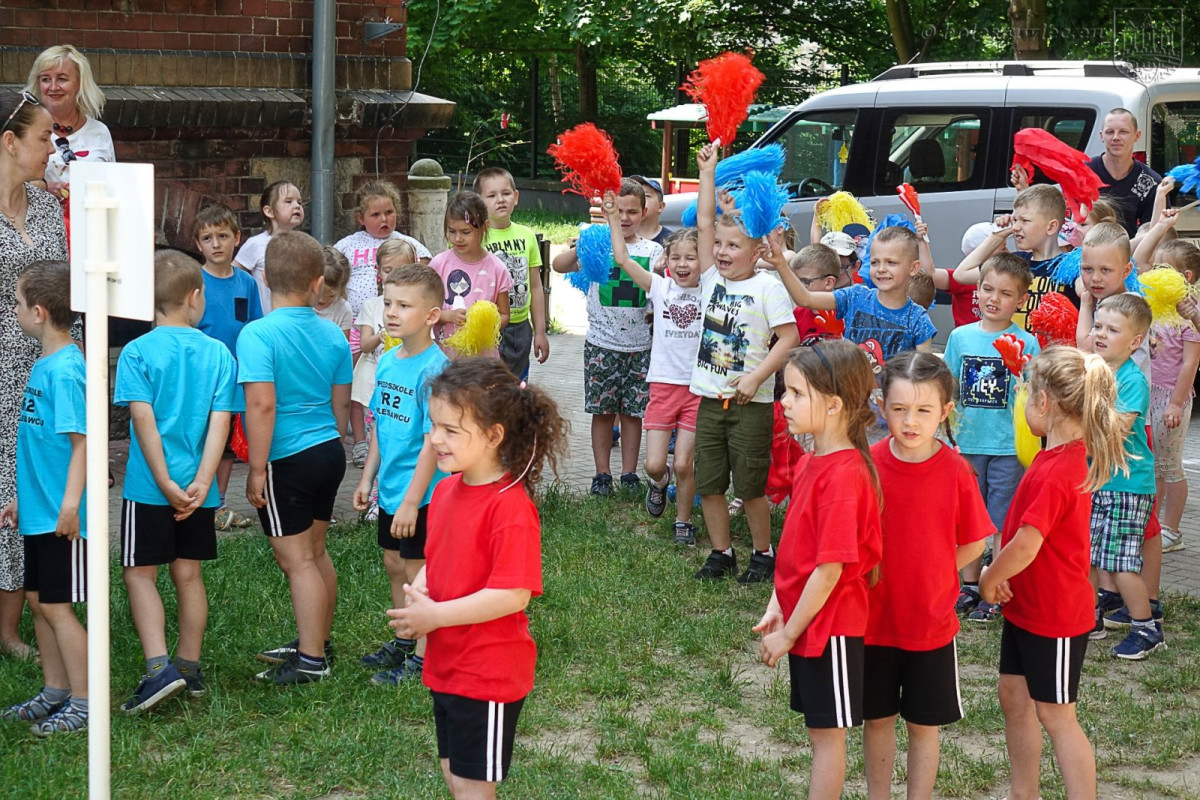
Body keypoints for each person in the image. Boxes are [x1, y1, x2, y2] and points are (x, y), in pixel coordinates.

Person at [386, 357, 566, 799]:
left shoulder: (510, 507)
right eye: (433, 425)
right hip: (448, 665)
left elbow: (513, 594)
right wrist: (422, 589)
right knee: (454, 775)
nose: (435, 439)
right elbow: (440, 557)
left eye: (450, 430)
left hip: (488, 673)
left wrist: (435, 617)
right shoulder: (446, 491)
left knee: (472, 787)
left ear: (493, 436)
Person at [981, 346, 1127, 800]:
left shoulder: (1057, 469)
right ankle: (1024, 792)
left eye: (1026, 393)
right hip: (1029, 607)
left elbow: (1028, 543)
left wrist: (989, 576)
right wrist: (1005, 573)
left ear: (1044, 402)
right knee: (1014, 695)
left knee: (1057, 714)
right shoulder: (1052, 458)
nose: (1023, 401)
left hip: (1056, 616)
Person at [754, 341, 882, 800]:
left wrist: (789, 634)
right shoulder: (811, 461)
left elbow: (829, 569)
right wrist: (778, 605)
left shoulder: (844, 475)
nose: (784, 402)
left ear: (833, 405)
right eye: (784, 391)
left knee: (828, 738)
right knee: (818, 732)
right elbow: (798, 548)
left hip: (832, 629)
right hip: (809, 622)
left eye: (795, 393)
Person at [863, 352, 992, 800]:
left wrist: (935, 570)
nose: (910, 421)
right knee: (877, 719)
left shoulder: (956, 470)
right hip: (873, 622)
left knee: (923, 724)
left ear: (945, 411)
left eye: (923, 410)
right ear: (881, 405)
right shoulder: (867, 464)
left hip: (929, 624)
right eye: (899, 409)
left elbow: (975, 542)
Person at [114, 251, 236, 712]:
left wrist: (163, 481)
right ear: (195, 297)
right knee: (188, 574)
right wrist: (203, 481)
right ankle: (189, 666)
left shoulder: (136, 352)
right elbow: (220, 423)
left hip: (149, 488)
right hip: (197, 490)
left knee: (139, 573)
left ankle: (158, 669)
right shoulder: (219, 353)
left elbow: (142, 420)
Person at [237, 231, 352, 685]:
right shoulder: (333, 333)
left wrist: (257, 468)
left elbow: (261, 405)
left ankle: (310, 661)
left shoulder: (257, 334)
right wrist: (330, 441)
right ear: (318, 283)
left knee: (298, 561)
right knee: (315, 552)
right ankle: (317, 640)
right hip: (328, 452)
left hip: (286, 458)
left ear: (265, 278)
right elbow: (340, 405)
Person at [690, 145, 798, 582]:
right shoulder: (710, 279)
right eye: (719, 244)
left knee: (751, 486)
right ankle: (721, 553)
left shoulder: (768, 287)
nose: (721, 251)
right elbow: (703, 222)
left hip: (751, 404)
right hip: (709, 400)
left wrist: (756, 377)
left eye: (733, 245)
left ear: (755, 252)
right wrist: (708, 173)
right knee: (709, 483)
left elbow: (789, 338)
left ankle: (762, 553)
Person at [0, 260, 88, 736]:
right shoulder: (45, 363)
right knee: (37, 601)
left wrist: (70, 505)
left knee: (57, 606)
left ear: (39, 312)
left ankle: (85, 700)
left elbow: (83, 444)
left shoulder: (68, 370)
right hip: (38, 511)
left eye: (15, 302)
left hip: (61, 516)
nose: (11, 309)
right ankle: (55, 690)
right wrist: (22, 499)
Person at [353, 263, 448, 685]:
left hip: (423, 495)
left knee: (417, 572)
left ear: (431, 315)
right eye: (388, 303)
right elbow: (380, 424)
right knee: (394, 563)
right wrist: (367, 479)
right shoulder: (389, 361)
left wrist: (412, 501)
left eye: (404, 306)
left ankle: (426, 657)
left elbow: (432, 443)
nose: (391, 312)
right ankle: (406, 639)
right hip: (391, 489)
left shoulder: (435, 371)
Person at [1073, 222, 1164, 638]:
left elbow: (1118, 428)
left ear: (1135, 342)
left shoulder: (1130, 379)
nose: (1099, 336)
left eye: (1111, 331)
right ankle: (1088, 617)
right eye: (1098, 328)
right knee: (1090, 557)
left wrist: (1078, 420)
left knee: (1123, 564)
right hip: (1099, 481)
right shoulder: (1096, 370)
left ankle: (1145, 626)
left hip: (1127, 485)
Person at [0, 89, 64, 660]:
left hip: (44, 366)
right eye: (44, 137)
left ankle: (27, 617)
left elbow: (64, 289)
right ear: (10, 141)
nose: (52, 148)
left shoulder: (46, 208)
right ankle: (9, 627)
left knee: (30, 481)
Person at [602, 195, 706, 545]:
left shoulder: (711, 289)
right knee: (654, 465)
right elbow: (622, 258)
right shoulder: (660, 288)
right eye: (676, 257)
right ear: (666, 261)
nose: (682, 264)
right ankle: (659, 485)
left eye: (691, 257)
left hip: (697, 388)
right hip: (662, 386)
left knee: (685, 464)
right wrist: (613, 217)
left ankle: (683, 521)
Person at [943, 253, 1040, 622]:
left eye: (1005, 293)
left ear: (1021, 300)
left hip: (1007, 447)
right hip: (966, 444)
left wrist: (1024, 385)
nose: (994, 299)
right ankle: (968, 585)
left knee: (1001, 522)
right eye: (987, 289)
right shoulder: (960, 336)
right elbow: (949, 385)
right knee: (967, 520)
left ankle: (995, 587)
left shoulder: (1027, 342)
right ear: (977, 291)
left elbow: (1036, 395)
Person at [552, 178, 663, 497]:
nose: (625, 218)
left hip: (641, 347)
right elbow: (559, 265)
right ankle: (602, 474)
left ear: (644, 213)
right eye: (619, 211)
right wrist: (581, 246)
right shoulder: (597, 243)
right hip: (601, 345)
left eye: (632, 211)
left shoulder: (653, 250)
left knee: (632, 414)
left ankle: (629, 474)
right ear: (607, 211)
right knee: (602, 413)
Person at [194, 203, 262, 533]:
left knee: (226, 443)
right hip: (201, 376)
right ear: (198, 244)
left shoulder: (246, 283)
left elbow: (252, 326)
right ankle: (198, 498)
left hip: (234, 375)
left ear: (237, 238)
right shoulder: (194, 281)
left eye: (222, 236)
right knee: (200, 436)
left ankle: (218, 503)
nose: (216, 244)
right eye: (207, 238)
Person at [781, 225, 936, 362]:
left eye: (891, 262)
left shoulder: (918, 318)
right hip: (851, 385)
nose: (881, 269)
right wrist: (780, 264)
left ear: (913, 268)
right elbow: (805, 299)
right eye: (875, 262)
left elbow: (922, 371)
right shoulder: (855, 296)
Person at [1135, 236, 1200, 554]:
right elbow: (1139, 259)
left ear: (1184, 277)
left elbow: (1190, 362)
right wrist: (1161, 225)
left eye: (1163, 267)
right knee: (1155, 465)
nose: (1153, 271)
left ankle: (1172, 530)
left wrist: (1175, 403)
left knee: (1170, 466)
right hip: (1148, 392)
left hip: (1172, 397)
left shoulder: (1189, 314)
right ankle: (1153, 525)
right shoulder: (1152, 305)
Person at [955, 185, 1068, 333]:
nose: (1015, 227)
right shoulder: (1016, 262)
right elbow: (961, 274)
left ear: (1051, 227)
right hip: (1012, 345)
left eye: (1025, 220)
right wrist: (997, 235)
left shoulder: (1070, 266)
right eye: (1015, 220)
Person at [474, 167, 550, 379]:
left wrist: (540, 332)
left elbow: (535, 286)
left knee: (517, 385)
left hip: (520, 327)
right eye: (491, 195)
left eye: (506, 193)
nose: (500, 200)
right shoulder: (474, 237)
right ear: (479, 201)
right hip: (488, 326)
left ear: (515, 197)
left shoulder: (527, 236)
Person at [352, 239, 417, 479]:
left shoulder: (417, 305)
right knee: (375, 439)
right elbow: (364, 345)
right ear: (378, 271)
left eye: (402, 270)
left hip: (404, 385)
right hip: (374, 385)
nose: (395, 276)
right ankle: (374, 487)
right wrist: (382, 335)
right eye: (388, 270)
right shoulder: (372, 305)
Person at [334, 179, 432, 318]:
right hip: (354, 319)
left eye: (389, 212)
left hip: (398, 318)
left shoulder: (407, 243)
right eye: (375, 215)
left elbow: (426, 275)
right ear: (360, 218)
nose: (384, 219)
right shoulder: (346, 245)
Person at [25, 45, 114, 198]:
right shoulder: (26, 129)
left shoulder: (100, 131)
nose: (53, 87)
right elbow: (8, 185)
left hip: (89, 212)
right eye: (46, 79)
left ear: (79, 83)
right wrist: (44, 188)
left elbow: (112, 186)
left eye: (62, 79)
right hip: (39, 213)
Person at [429, 191, 512, 356]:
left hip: (482, 358)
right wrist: (448, 316)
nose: (458, 238)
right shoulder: (439, 264)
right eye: (452, 231)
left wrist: (483, 325)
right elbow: (425, 310)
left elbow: (505, 315)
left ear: (484, 227)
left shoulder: (497, 268)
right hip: (443, 357)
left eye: (466, 232)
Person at [233, 181, 305, 314]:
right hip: (265, 318)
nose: (297, 206)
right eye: (289, 201)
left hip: (296, 318)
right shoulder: (256, 244)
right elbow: (232, 274)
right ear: (269, 211)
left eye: (299, 202)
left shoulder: (304, 244)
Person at [1088, 108, 1162, 237]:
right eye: (1110, 132)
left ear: (1137, 135)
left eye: (1123, 132)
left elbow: (1153, 234)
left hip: (1133, 249)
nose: (1116, 137)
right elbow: (1070, 226)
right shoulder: (1083, 173)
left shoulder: (1151, 182)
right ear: (1101, 136)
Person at [314, 247, 353, 338]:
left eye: (331, 296)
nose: (322, 300)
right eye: (318, 293)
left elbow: (343, 343)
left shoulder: (344, 309)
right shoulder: (299, 303)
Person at [630, 175, 673, 247]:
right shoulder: (619, 237)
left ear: (660, 206)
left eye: (646, 196)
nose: (638, 200)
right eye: (634, 195)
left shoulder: (671, 241)